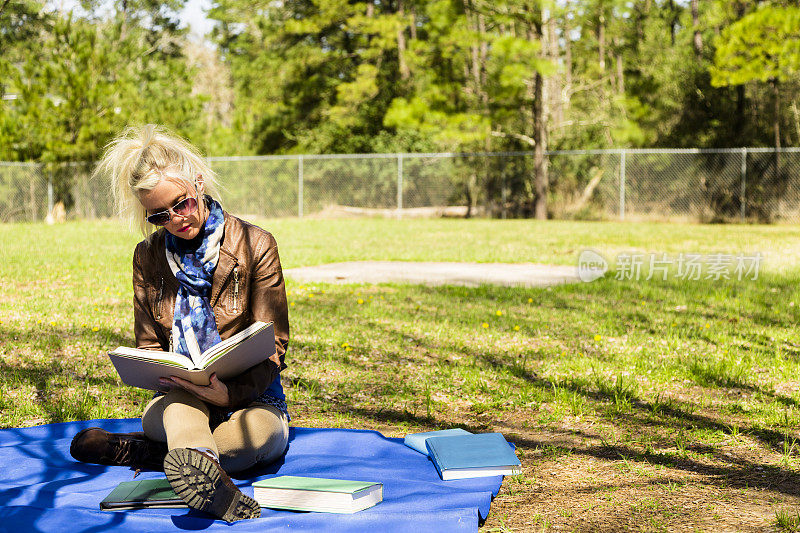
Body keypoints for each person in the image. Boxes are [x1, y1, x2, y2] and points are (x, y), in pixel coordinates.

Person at [69, 124, 290, 522]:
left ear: (199, 183)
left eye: (182, 203)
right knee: (178, 415)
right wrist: (167, 374)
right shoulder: (147, 257)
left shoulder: (256, 243)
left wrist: (228, 393)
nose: (175, 219)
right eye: (159, 215)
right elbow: (150, 345)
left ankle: (154, 454)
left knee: (252, 440)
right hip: (179, 399)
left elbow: (273, 345)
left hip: (252, 396)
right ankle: (213, 487)